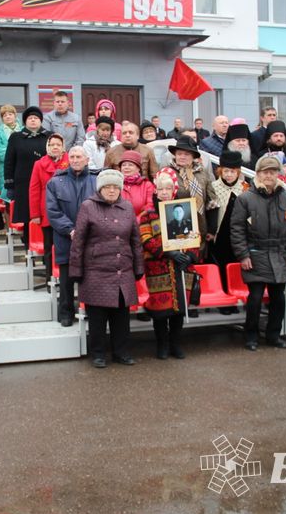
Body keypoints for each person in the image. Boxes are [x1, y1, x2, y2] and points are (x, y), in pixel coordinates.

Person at [69, 169, 144, 368]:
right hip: (96, 271)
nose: (111, 191)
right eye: (107, 187)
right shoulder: (88, 207)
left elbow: (136, 240)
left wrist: (138, 267)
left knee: (121, 316)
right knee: (97, 317)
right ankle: (98, 354)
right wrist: (76, 270)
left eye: (115, 187)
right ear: (100, 188)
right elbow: (78, 241)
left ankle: (122, 352)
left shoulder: (127, 207)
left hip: (123, 270)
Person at [230, 155, 286, 350]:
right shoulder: (245, 198)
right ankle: (251, 336)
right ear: (258, 174)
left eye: (273, 172)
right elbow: (236, 229)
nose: (269, 175)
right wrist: (243, 255)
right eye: (265, 172)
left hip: (279, 254)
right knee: (255, 298)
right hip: (255, 253)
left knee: (278, 298)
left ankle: (273, 335)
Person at [139, 170, 197, 359]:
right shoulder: (148, 214)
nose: (164, 192)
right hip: (158, 267)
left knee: (179, 310)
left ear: (174, 190)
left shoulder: (186, 209)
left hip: (182, 267)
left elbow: (195, 236)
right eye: (160, 189)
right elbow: (146, 237)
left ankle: (176, 344)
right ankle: (162, 345)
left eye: (168, 188)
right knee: (160, 311)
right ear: (155, 191)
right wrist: (167, 252)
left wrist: (189, 256)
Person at [46, 146, 98, 326]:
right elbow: (53, 212)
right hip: (65, 238)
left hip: (92, 238)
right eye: (72, 157)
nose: (75, 160)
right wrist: (71, 230)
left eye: (79, 157)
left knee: (91, 278)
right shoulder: (55, 182)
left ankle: (92, 311)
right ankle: (66, 313)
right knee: (66, 280)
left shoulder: (96, 180)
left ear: (87, 160)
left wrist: (86, 230)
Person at [4, 106, 51, 246]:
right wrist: (9, 184)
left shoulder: (49, 136)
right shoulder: (16, 137)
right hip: (23, 183)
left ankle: (46, 248)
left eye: (36, 118)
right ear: (25, 121)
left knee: (45, 215)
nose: (33, 120)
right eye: (30, 118)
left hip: (45, 184)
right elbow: (9, 161)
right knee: (26, 216)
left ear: (41, 121)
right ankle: (29, 247)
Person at [206, 150, 247, 297]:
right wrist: (210, 230)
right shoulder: (213, 187)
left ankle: (236, 292)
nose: (229, 175)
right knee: (221, 264)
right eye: (226, 171)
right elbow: (209, 210)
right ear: (220, 171)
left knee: (237, 264)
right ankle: (223, 294)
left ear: (238, 172)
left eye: (232, 171)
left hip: (238, 234)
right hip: (220, 234)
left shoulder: (245, 188)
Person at [29, 133, 69, 280]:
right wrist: (35, 215)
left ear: (63, 147)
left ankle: (65, 279)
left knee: (66, 247)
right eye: (52, 144)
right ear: (48, 147)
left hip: (66, 210)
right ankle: (49, 278)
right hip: (46, 210)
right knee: (49, 247)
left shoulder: (70, 162)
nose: (55, 147)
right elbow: (33, 190)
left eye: (58, 144)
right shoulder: (39, 164)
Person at [163, 135, 216, 241]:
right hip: (175, 228)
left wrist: (212, 229)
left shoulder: (202, 173)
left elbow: (212, 202)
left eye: (186, 154)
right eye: (179, 154)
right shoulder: (166, 172)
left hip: (201, 226)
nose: (182, 157)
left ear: (193, 156)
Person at [0, 104, 21, 200]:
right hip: (4, 170)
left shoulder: (23, 130)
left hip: (21, 168)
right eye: (4, 115)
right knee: (6, 199)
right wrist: (18, 154)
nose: (7, 116)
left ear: (15, 115)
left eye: (10, 114)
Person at [118, 150, 155, 216]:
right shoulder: (116, 184)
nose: (126, 167)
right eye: (123, 165)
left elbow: (150, 204)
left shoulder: (147, 185)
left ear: (138, 168)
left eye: (130, 165)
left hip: (142, 222)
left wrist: (139, 218)